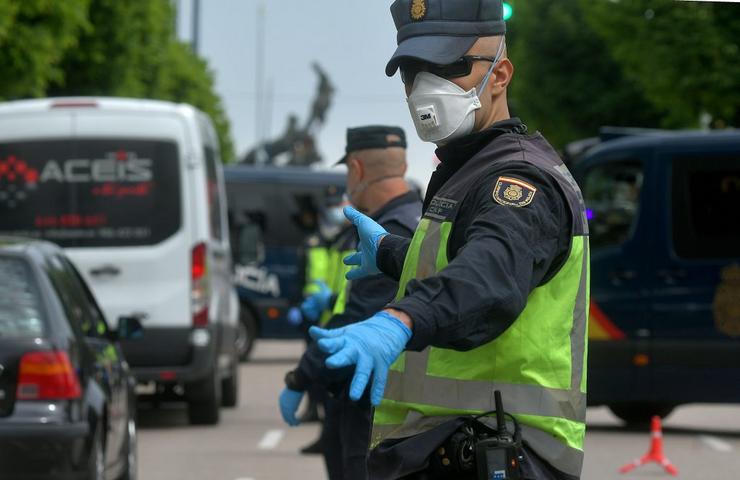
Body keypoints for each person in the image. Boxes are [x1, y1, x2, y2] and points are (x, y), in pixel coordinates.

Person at [310, 1, 590, 479]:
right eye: (413, 72)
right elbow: (460, 257)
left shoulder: (519, 180)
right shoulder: (470, 169)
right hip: (449, 448)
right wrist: (393, 254)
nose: (425, 87)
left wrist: (398, 319)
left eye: (448, 67)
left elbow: (490, 274)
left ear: (499, 74)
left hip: (496, 450)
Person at [278, 126, 422, 479]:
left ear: (356, 170)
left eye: (346, 172)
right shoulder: (421, 221)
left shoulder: (386, 233)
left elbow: (355, 318)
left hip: (373, 400)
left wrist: (300, 378)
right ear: (402, 167)